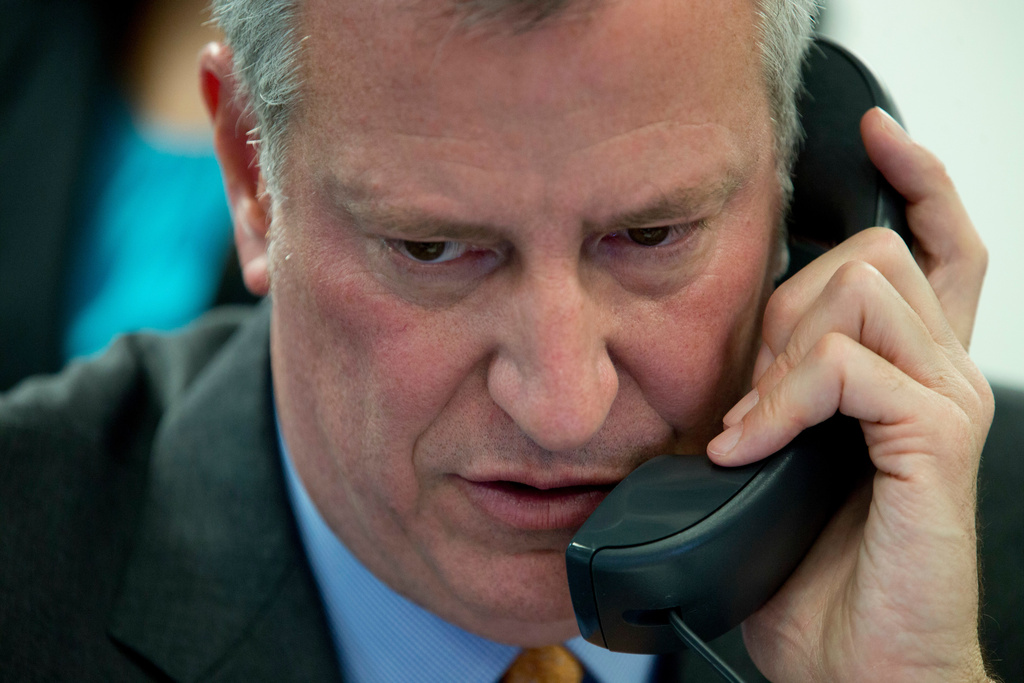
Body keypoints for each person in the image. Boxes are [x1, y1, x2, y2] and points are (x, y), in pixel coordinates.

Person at [0, 0, 1007, 681]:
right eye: (431, 248)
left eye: (652, 235)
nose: (561, 405)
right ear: (252, 178)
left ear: (806, 179)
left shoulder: (972, 558)